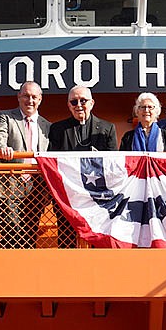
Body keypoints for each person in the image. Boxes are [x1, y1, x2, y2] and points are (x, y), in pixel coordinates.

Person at [48, 85, 118, 247]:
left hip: (97, 197)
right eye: (74, 102)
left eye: (83, 101)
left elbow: (112, 163)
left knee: (98, 237)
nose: (78, 105)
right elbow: (52, 161)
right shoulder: (58, 129)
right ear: (68, 105)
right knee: (66, 237)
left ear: (92, 103)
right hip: (68, 195)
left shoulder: (107, 128)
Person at [0, 81, 51, 249]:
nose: (30, 100)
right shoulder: (5, 116)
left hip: (37, 185)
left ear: (40, 99)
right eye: (26, 95)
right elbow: (0, 136)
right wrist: (2, 147)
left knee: (31, 230)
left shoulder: (47, 125)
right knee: (10, 230)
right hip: (10, 181)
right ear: (19, 97)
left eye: (34, 97)